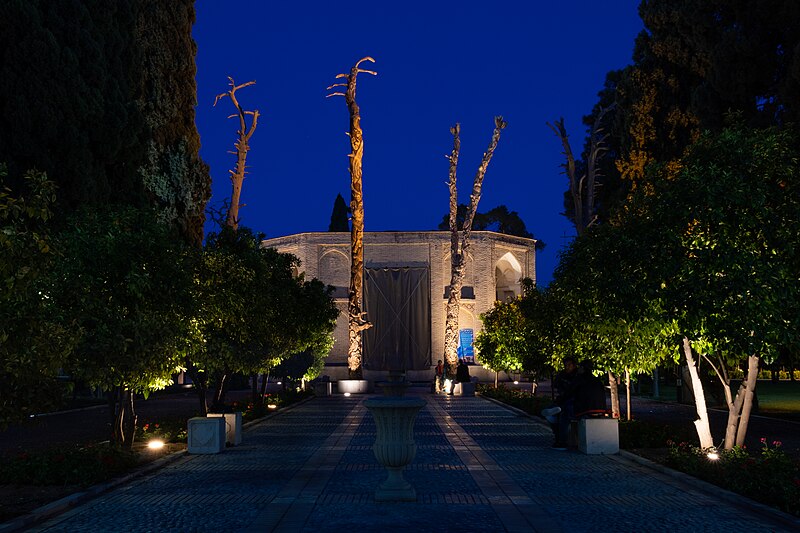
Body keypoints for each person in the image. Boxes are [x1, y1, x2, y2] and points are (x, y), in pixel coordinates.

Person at [541, 356, 578, 449]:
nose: (567, 367)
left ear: (574, 365)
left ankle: (561, 441)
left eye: (569, 365)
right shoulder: (562, 375)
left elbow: (574, 391)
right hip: (563, 399)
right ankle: (552, 414)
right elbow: (556, 386)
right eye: (566, 365)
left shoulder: (577, 376)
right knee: (551, 415)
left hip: (573, 401)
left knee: (563, 416)